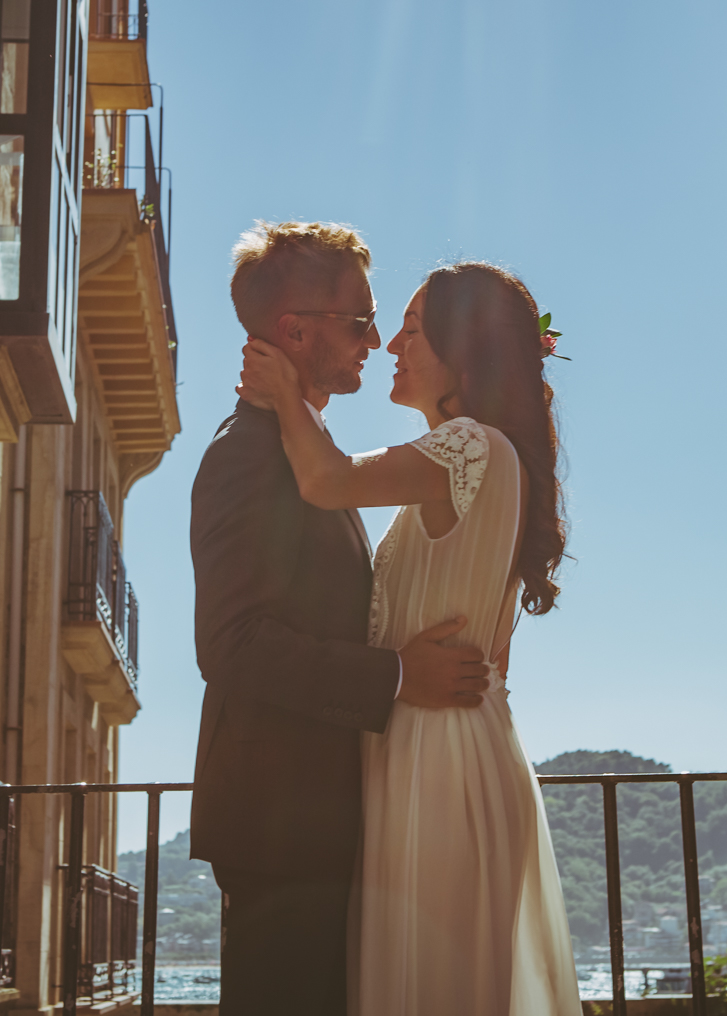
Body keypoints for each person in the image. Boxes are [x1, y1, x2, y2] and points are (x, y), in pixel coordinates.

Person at [238, 261, 582, 1016]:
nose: (391, 342)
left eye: (414, 328)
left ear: (465, 352)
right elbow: (496, 661)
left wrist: (286, 395)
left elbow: (325, 480)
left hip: (433, 752)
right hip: (464, 740)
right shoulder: (497, 461)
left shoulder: (467, 447)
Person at [190, 222, 492, 1016]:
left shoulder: (304, 449)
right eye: (360, 321)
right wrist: (397, 676)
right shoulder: (246, 455)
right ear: (296, 330)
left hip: (324, 826)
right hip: (281, 832)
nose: (376, 338)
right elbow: (232, 645)